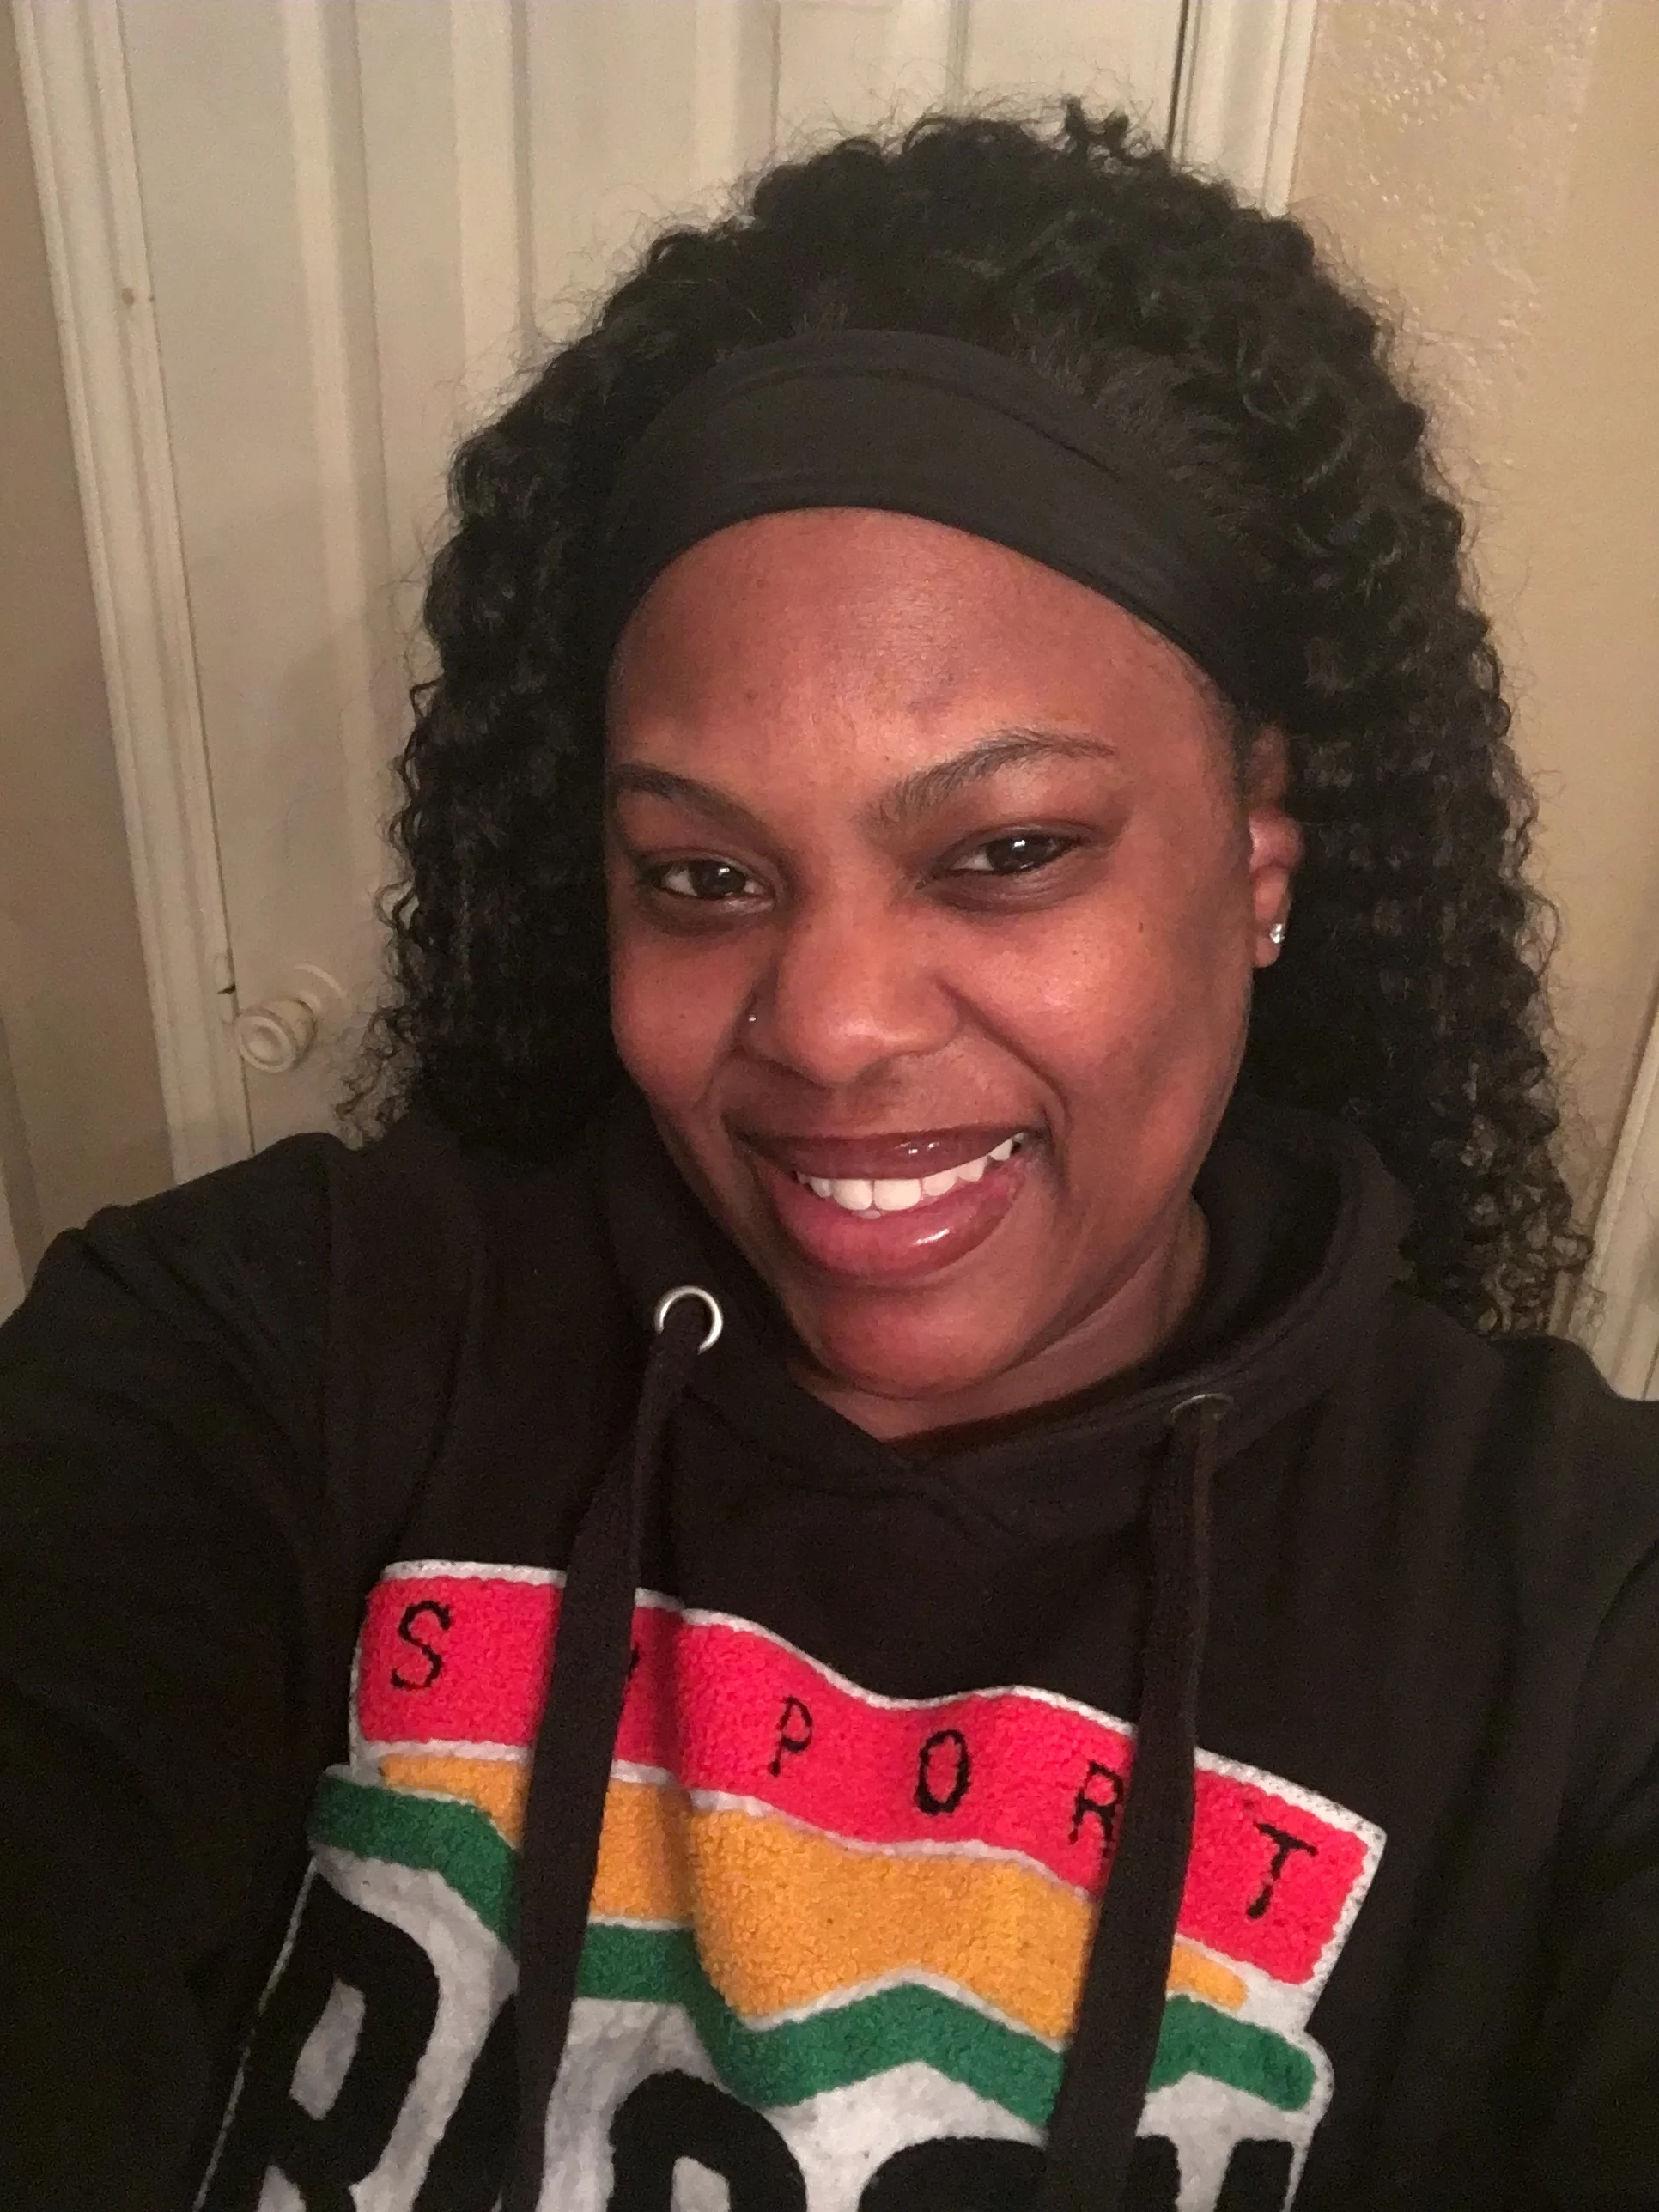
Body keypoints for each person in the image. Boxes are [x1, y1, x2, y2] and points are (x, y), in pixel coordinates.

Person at [1, 102, 1654, 2212]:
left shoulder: (1573, 1616)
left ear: (1262, 846)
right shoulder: (277, 1351)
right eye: (704, 875)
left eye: (1008, 849)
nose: (832, 1023)